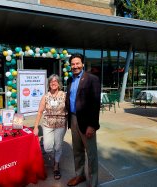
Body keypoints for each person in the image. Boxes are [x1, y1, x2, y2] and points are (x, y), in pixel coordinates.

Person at [66, 53, 101, 187]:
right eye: (73, 64)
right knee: (77, 150)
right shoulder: (70, 80)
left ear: (82, 64)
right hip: (73, 119)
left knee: (91, 154)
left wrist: (92, 125)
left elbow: (95, 104)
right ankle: (79, 175)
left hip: (87, 122)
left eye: (77, 63)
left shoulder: (92, 79)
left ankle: (93, 182)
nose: (75, 66)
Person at [33, 74, 67, 180]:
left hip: (61, 124)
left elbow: (71, 108)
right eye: (51, 81)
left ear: (59, 83)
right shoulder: (45, 96)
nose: (53, 83)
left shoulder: (64, 95)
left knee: (58, 146)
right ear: (49, 84)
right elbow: (39, 112)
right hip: (48, 124)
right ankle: (54, 158)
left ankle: (56, 165)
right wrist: (35, 127)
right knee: (47, 147)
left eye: (56, 81)